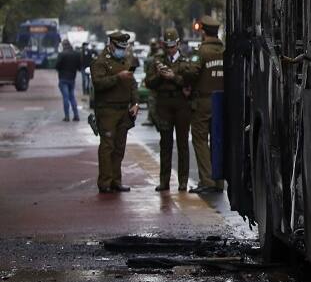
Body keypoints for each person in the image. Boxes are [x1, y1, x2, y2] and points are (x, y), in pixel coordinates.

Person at [90, 31, 138, 193]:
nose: (122, 50)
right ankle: (105, 182)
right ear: (110, 44)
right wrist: (118, 77)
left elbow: (133, 84)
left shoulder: (125, 60)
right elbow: (98, 83)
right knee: (107, 146)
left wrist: (135, 103)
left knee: (119, 148)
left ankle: (116, 181)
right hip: (107, 110)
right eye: (119, 47)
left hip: (123, 111)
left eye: (124, 47)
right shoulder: (100, 62)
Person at [181, 15, 224, 194]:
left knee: (200, 139)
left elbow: (192, 72)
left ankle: (207, 180)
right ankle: (219, 180)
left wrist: (183, 68)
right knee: (218, 140)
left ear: (204, 32)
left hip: (204, 100)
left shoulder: (202, 52)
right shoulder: (224, 50)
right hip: (221, 101)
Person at [145, 29, 191, 193]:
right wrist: (160, 76)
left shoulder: (187, 60)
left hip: (181, 104)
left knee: (183, 144)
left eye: (172, 46)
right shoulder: (157, 61)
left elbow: (190, 82)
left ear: (178, 44)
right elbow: (148, 82)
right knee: (165, 143)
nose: (170, 49)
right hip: (163, 104)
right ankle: (164, 181)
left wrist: (174, 78)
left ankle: (183, 181)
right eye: (167, 46)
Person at [56, 40, 83, 121]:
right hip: (72, 78)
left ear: (64, 46)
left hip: (63, 78)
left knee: (65, 97)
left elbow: (57, 66)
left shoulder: (62, 54)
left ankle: (67, 116)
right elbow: (79, 67)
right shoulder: (76, 54)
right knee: (72, 97)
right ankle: (76, 115)